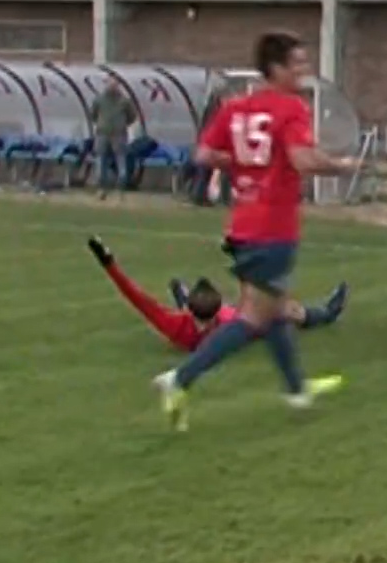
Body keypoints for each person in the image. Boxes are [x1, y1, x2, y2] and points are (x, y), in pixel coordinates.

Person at [151, 32, 357, 431]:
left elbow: (204, 155)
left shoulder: (236, 107)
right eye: (297, 64)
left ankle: (297, 390)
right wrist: (342, 165)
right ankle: (180, 379)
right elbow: (302, 160)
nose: (303, 71)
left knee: (275, 311)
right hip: (273, 229)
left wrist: (245, 165)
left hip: (243, 224)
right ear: (276, 68)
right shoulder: (290, 109)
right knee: (254, 318)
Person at [88, 236, 347, 351]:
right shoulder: (229, 325)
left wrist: (108, 263)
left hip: (216, 317)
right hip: (239, 318)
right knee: (284, 308)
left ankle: (183, 292)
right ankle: (326, 313)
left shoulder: (176, 326)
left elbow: (137, 298)